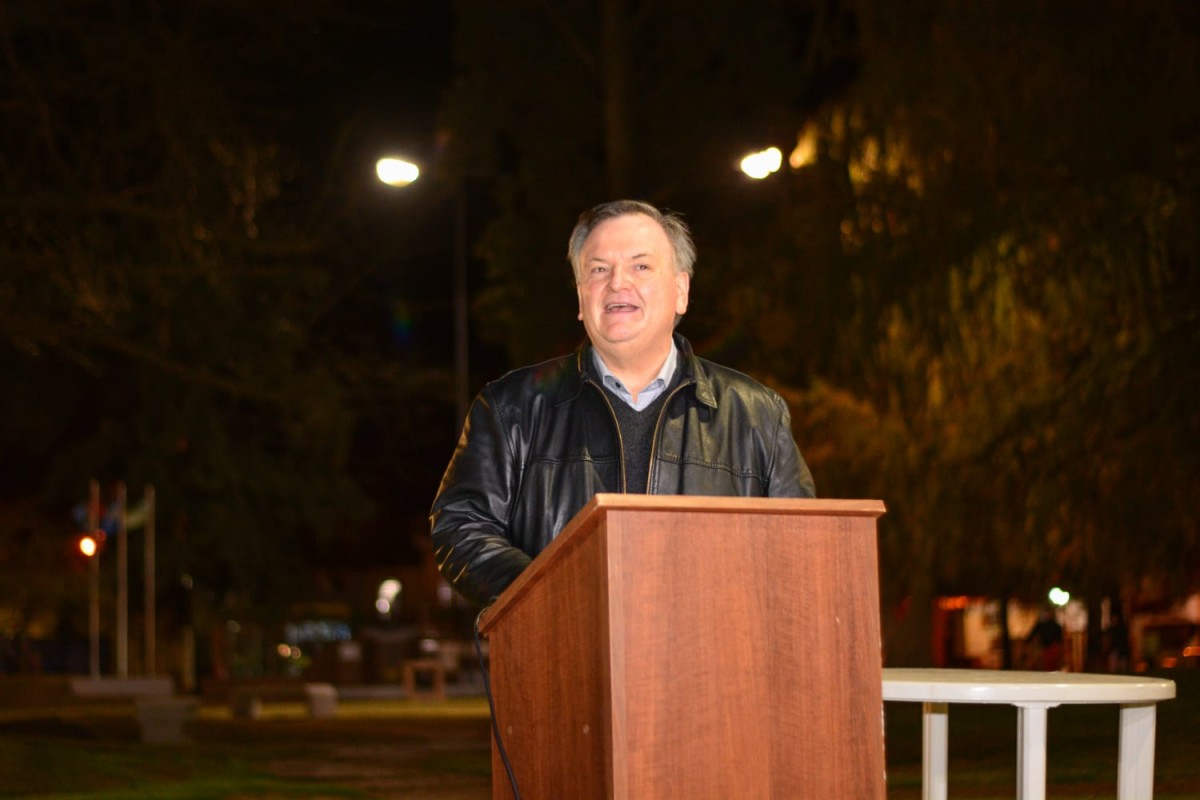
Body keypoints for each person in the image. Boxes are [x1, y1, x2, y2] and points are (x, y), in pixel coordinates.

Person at [429, 199, 817, 607]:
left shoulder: (757, 415)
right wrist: (553, 596)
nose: (617, 283)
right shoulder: (510, 408)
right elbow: (461, 524)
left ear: (681, 291)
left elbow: (803, 550)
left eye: (640, 266)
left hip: (714, 661)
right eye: (598, 270)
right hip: (562, 656)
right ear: (581, 298)